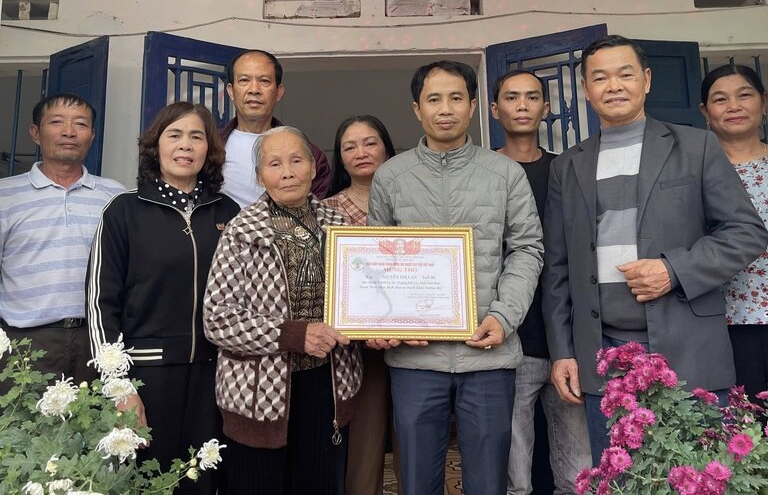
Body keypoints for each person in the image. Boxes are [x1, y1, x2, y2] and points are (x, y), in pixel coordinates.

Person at [542, 35, 768, 465]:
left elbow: (746, 232)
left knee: (697, 478)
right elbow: (557, 266)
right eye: (600, 77)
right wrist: (563, 351)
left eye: (625, 73)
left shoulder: (696, 147)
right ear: (586, 91)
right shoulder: (567, 165)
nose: (614, 85)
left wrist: (674, 269)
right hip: (603, 356)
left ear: (646, 80)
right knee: (623, 480)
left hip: (688, 350)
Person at [368, 60, 544, 495]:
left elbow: (527, 249)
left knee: (488, 482)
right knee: (416, 481)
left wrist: (504, 317)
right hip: (415, 359)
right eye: (433, 99)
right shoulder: (391, 176)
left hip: (488, 353)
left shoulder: (505, 173)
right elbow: (376, 261)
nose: (444, 109)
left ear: (472, 107)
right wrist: (384, 324)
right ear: (416, 109)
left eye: (455, 98)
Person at [86, 102, 239, 493]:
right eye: (174, 134)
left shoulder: (229, 212)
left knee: (202, 480)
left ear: (209, 150)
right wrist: (119, 387)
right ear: (156, 145)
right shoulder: (124, 211)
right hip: (146, 377)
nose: (185, 145)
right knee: (146, 481)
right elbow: (101, 305)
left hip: (214, 375)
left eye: (196, 136)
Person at [203, 126, 363, 495]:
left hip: (328, 384)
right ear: (260, 176)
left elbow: (361, 300)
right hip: (260, 392)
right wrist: (295, 334)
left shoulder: (340, 225)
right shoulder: (241, 231)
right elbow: (218, 319)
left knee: (320, 484)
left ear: (313, 167)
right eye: (274, 164)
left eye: (296, 160)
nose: (287, 172)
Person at [491, 70, 591, 494]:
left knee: (578, 468)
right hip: (508, 334)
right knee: (515, 471)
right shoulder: (484, 172)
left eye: (532, 97)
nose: (522, 105)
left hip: (565, 337)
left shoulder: (565, 170)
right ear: (495, 110)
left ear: (545, 108)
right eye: (512, 98)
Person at [0, 93, 124, 386]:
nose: (69, 132)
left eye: (80, 124)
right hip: (24, 343)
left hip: (98, 341)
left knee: (99, 428)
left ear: (92, 136)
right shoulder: (5, 196)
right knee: (22, 429)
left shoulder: (115, 197)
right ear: (35, 133)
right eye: (57, 122)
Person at [700, 64, 768, 400]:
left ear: (764, 101)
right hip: (725, 320)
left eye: (745, 95)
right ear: (705, 111)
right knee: (740, 427)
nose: (734, 106)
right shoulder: (694, 174)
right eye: (720, 99)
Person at [322, 115, 398, 495]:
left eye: (370, 142)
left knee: (418, 444)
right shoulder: (325, 211)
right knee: (363, 452)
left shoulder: (413, 199)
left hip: (418, 342)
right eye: (349, 147)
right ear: (340, 158)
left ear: (386, 147)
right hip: (355, 350)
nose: (360, 152)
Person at [220, 49, 331, 206]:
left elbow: (316, 213)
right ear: (231, 91)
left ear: (278, 92)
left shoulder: (310, 155)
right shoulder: (210, 148)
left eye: (264, 81)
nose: (254, 90)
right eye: (244, 80)